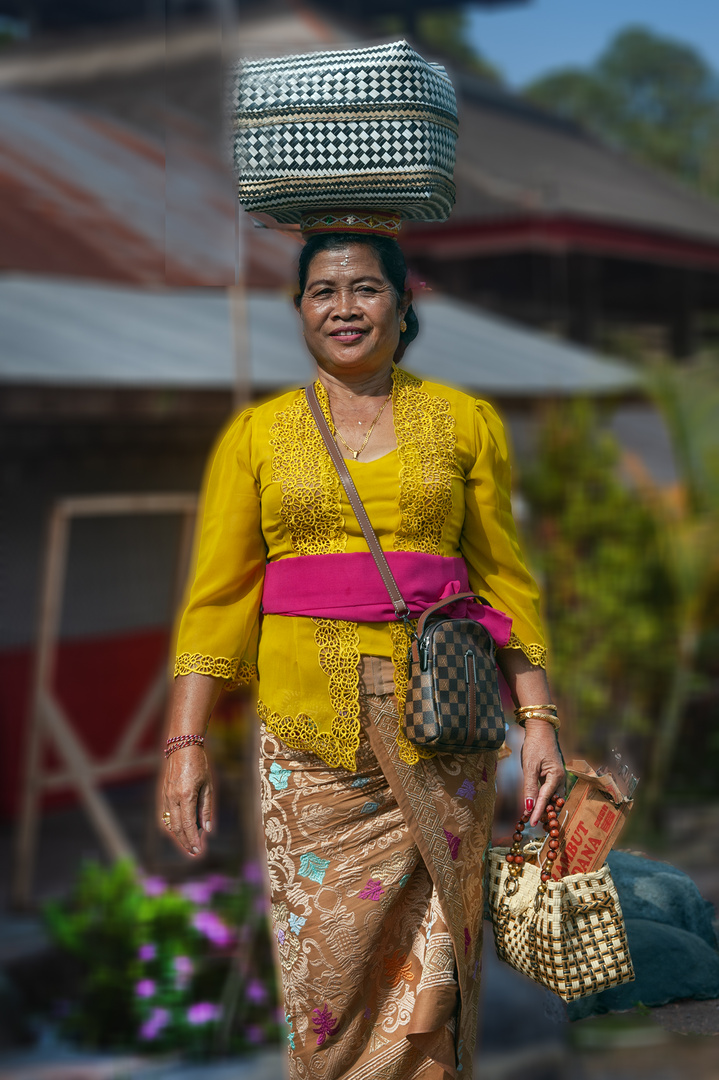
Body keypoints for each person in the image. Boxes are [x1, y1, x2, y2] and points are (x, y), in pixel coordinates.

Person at [162, 213, 564, 1080]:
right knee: (325, 962)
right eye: (323, 290)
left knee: (439, 950)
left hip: (443, 727)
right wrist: (185, 741)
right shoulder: (257, 436)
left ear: (401, 302)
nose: (344, 307)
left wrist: (538, 719)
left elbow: (502, 586)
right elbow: (218, 599)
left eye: (365, 287)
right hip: (307, 738)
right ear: (300, 308)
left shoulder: (464, 424)